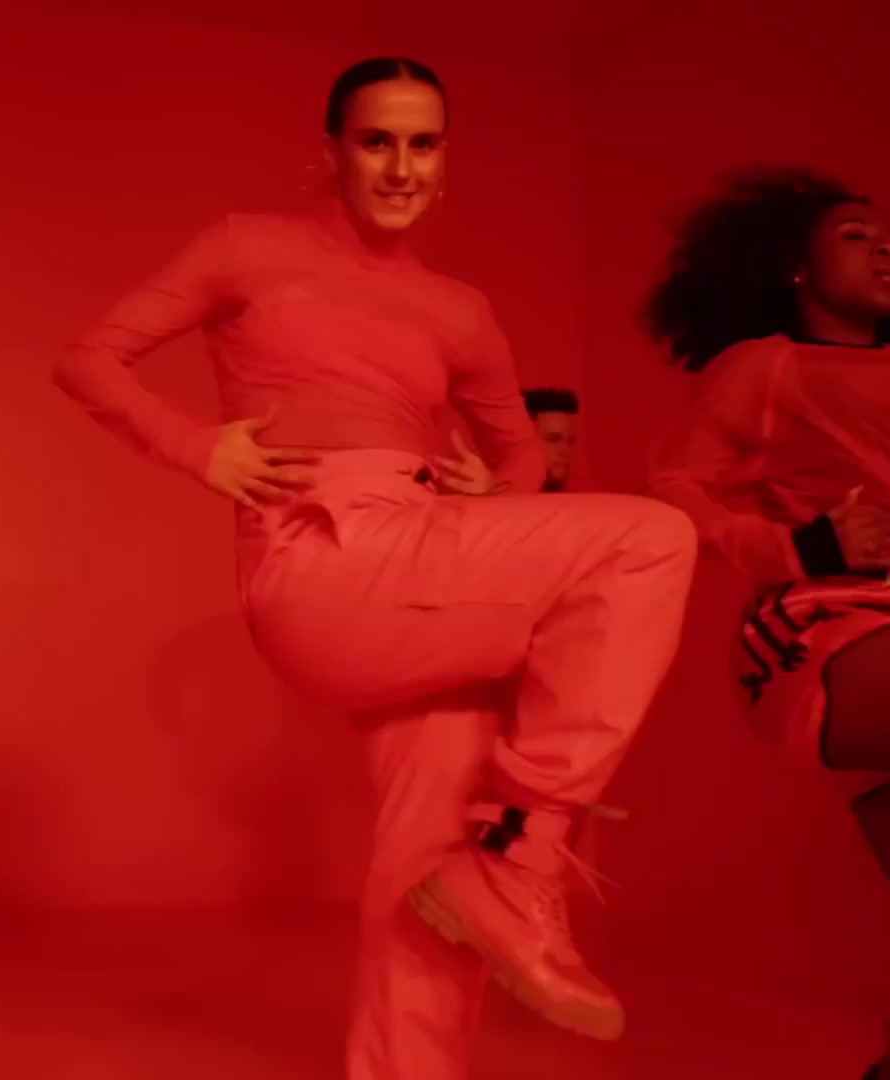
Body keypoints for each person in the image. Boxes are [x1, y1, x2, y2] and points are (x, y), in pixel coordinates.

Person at [54, 56, 697, 1078]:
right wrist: (199, 449)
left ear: (445, 162)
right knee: (651, 539)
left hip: (421, 557)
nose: (401, 167)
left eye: (423, 144)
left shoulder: (460, 311)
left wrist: (498, 493)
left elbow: (519, 453)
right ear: (333, 153)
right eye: (378, 141)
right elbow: (89, 357)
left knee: (433, 853)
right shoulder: (247, 248)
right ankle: (525, 851)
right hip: (320, 556)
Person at [643, 168, 890, 1078]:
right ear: (795, 267)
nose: (887, 251)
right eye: (856, 235)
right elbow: (674, 495)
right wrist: (797, 544)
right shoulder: (764, 367)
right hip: (818, 630)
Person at [522, 387, 579, 492]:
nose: (565, 451)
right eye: (553, 440)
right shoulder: (500, 497)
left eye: (570, 442)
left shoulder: (586, 495)